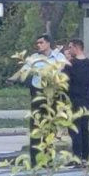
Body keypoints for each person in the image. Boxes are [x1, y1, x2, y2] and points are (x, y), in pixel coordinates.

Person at [26, 34, 66, 165]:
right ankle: (35, 160)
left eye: (41, 43)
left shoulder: (59, 57)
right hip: (37, 93)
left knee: (50, 127)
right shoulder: (33, 58)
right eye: (37, 43)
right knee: (36, 126)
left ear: (48, 43)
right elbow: (26, 70)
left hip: (52, 94)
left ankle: (48, 159)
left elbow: (60, 71)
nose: (38, 45)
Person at [66, 39, 89, 163]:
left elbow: (64, 79)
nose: (69, 50)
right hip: (87, 100)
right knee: (84, 128)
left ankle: (76, 157)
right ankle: (85, 157)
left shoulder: (70, 64)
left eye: (70, 47)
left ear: (76, 48)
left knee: (75, 129)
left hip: (74, 100)